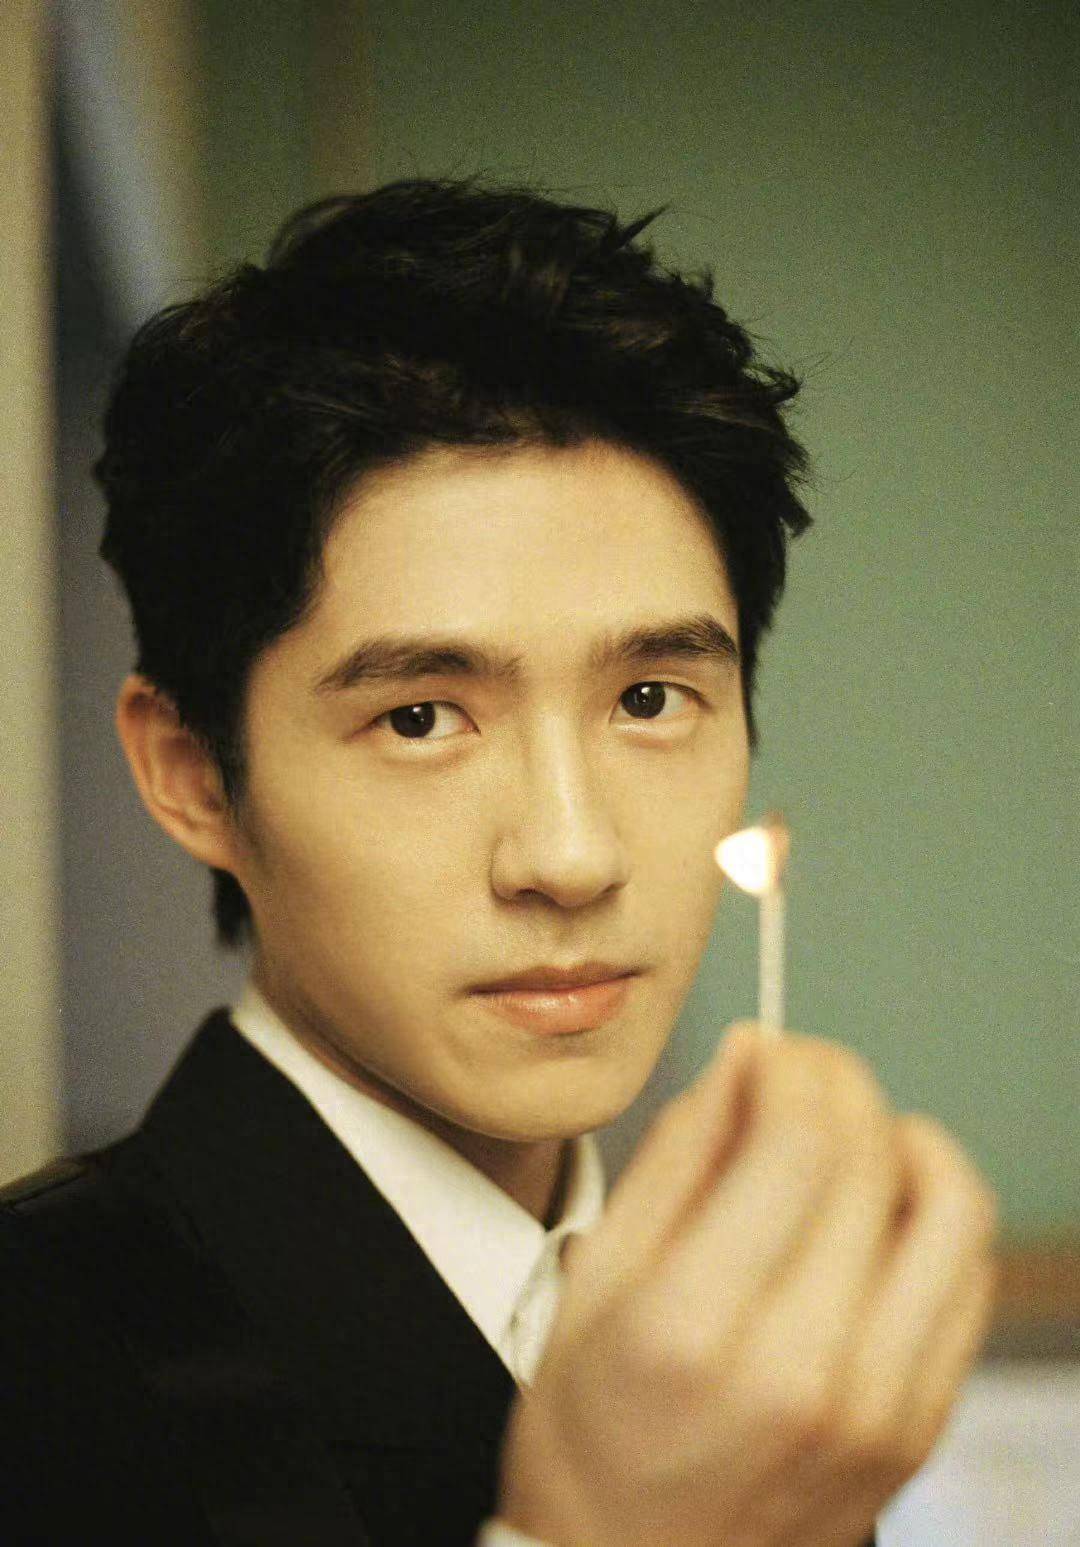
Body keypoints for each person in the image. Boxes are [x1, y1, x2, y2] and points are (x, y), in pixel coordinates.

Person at [1, 177, 998, 1546]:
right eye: (421, 718)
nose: (573, 857)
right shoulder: (40, 1367)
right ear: (191, 774)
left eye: (649, 698)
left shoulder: (741, 1349)